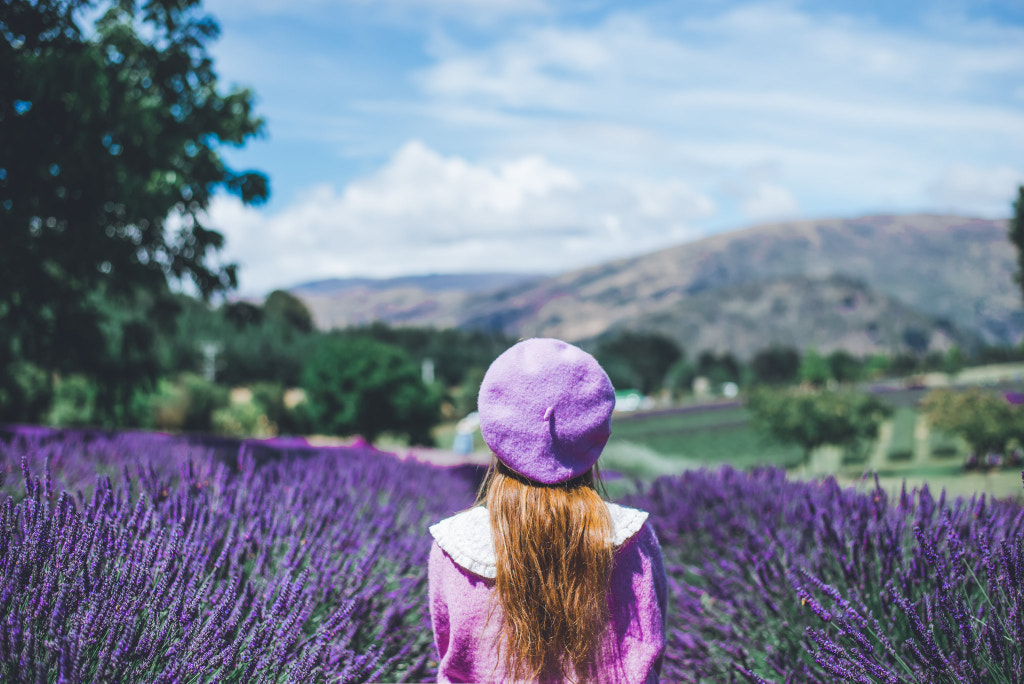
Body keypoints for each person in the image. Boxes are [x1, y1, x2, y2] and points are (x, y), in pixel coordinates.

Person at [428, 338, 667, 683]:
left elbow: (452, 659)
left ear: (496, 434)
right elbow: (651, 654)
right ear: (594, 433)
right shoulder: (634, 540)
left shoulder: (453, 548)